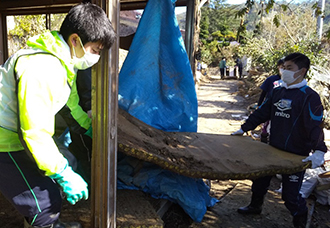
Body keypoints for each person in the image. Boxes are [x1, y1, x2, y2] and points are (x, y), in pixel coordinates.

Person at [0, 3, 116, 228]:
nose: (96, 58)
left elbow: (70, 106)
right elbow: (34, 133)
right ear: (75, 40)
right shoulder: (42, 68)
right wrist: (63, 173)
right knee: (43, 202)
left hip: (15, 135)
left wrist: (91, 129)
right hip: (4, 141)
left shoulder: (62, 62)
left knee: (56, 178)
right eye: (95, 50)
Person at [231, 53, 327, 228]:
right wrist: (244, 128)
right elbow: (262, 112)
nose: (284, 71)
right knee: (260, 180)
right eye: (284, 67)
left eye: (290, 68)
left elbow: (314, 126)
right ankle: (255, 206)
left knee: (290, 196)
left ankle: (300, 219)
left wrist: (319, 150)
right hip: (272, 149)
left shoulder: (309, 97)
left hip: (295, 155)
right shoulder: (278, 91)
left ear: (302, 71)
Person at [257, 58, 284, 143]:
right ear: (278, 67)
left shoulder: (290, 82)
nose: (284, 69)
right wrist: (259, 105)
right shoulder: (271, 79)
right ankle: (264, 137)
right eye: (282, 67)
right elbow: (263, 93)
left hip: (282, 107)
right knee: (266, 123)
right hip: (269, 106)